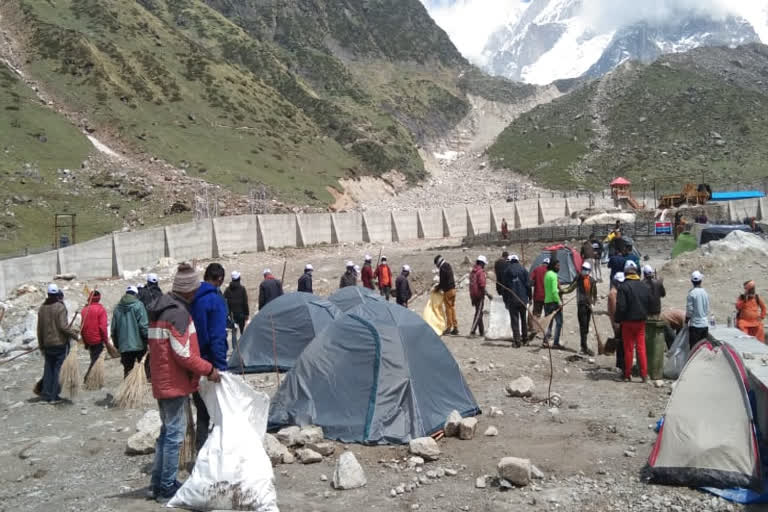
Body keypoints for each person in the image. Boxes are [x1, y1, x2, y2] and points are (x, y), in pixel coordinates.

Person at [147, 263, 221, 503]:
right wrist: (209, 369)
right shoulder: (178, 313)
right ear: (189, 290)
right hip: (174, 383)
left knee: (166, 432)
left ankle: (156, 484)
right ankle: (166, 486)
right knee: (174, 435)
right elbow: (184, 354)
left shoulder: (160, 310)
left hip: (161, 379)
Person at [191, 263, 229, 451]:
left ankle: (200, 451)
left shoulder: (192, 298)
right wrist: (221, 367)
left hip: (193, 362)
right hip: (211, 364)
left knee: (202, 412)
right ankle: (218, 454)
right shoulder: (215, 300)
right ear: (220, 279)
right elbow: (217, 336)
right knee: (222, 410)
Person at [37, 283, 80, 403]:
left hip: (47, 344)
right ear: (57, 294)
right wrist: (75, 336)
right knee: (58, 370)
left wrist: (41, 344)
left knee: (48, 368)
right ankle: (54, 396)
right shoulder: (60, 307)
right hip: (59, 343)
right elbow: (63, 326)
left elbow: (39, 328)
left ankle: (46, 394)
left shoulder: (42, 308)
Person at [616, 261, 651, 383]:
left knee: (629, 349)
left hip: (627, 322)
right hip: (641, 322)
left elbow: (621, 307)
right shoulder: (644, 286)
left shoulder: (623, 287)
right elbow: (649, 303)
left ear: (625, 273)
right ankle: (644, 375)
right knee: (641, 349)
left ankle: (627, 374)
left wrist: (617, 320)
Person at [111, 285, 150, 377]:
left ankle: (127, 389)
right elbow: (143, 326)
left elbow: (114, 329)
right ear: (135, 294)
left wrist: (117, 345)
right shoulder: (139, 305)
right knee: (144, 368)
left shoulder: (117, 308)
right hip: (139, 345)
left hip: (124, 346)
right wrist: (148, 340)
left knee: (127, 370)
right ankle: (140, 388)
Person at [563, 262, 597, 356]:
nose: (584, 270)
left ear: (589, 271)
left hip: (588, 306)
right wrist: (562, 291)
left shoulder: (592, 280)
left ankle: (584, 345)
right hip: (581, 305)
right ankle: (584, 347)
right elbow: (570, 288)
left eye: (586, 269)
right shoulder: (578, 279)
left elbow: (594, 294)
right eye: (583, 268)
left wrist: (593, 303)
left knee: (586, 326)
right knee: (582, 326)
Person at [80, 290, 109, 383]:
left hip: (88, 339)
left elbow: (82, 327)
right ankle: (89, 378)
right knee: (96, 360)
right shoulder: (101, 310)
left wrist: (85, 341)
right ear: (99, 298)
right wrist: (106, 340)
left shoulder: (85, 310)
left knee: (93, 357)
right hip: (97, 339)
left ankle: (93, 378)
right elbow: (102, 327)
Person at [502, 254, 530, 347]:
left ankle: (517, 341)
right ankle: (525, 339)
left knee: (514, 320)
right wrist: (530, 297)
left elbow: (505, 288)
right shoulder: (524, 270)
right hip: (523, 299)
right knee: (523, 319)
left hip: (512, 299)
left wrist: (505, 301)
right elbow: (528, 285)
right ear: (518, 260)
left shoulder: (507, 271)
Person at [434, 255, 458, 335]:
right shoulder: (448, 265)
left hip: (448, 291)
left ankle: (449, 327)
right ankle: (455, 327)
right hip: (453, 290)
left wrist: (437, 288)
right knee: (452, 308)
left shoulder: (442, 268)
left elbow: (443, 282)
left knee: (448, 310)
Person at [543, 259, 564, 348]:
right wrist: (559, 301)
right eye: (557, 266)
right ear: (553, 266)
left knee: (549, 322)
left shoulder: (547, 274)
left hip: (547, 302)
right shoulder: (554, 275)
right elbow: (554, 291)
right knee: (559, 322)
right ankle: (556, 342)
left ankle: (545, 341)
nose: (559, 267)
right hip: (554, 302)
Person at [686, 271, 710, 349]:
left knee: (694, 349)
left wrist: (686, 320)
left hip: (695, 326)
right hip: (704, 324)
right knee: (703, 349)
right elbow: (707, 309)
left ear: (692, 281)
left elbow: (689, 311)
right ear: (701, 281)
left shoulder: (691, 293)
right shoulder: (705, 293)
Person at [469, 256, 491, 337]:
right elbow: (482, 285)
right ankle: (472, 331)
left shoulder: (473, 271)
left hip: (473, 294)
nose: (484, 265)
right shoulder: (480, 272)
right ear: (481, 263)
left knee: (479, 312)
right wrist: (488, 294)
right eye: (484, 264)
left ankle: (481, 331)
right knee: (478, 313)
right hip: (479, 295)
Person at [608, 272, 626, 371]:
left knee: (621, 342)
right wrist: (616, 323)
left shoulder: (617, 292)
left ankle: (621, 363)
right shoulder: (613, 293)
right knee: (620, 343)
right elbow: (614, 310)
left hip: (617, 321)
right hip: (617, 322)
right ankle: (620, 364)